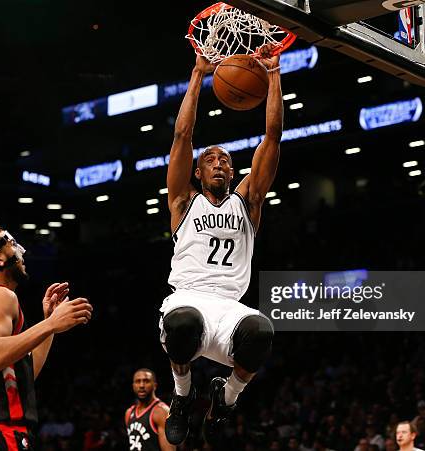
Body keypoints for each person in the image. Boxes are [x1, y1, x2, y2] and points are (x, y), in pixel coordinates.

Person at [160, 44, 282, 447]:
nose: (219, 163)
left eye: (226, 161)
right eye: (211, 159)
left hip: (230, 306)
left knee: (262, 331)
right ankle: (181, 398)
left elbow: (272, 136)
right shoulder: (183, 200)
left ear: (234, 171)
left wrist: (274, 74)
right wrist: (198, 74)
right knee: (182, 325)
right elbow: (182, 134)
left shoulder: (248, 202)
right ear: (198, 170)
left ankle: (224, 399)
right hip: (188, 299)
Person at [0, 224, 93, 450]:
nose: (21, 251)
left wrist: (49, 326)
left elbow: (25, 375)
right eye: (11, 244)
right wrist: (50, 323)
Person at [125, 368, 174, 451]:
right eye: (138, 381)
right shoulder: (129, 413)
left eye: (146, 381)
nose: (141, 385)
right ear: (133, 386)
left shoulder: (161, 411)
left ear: (155, 385)